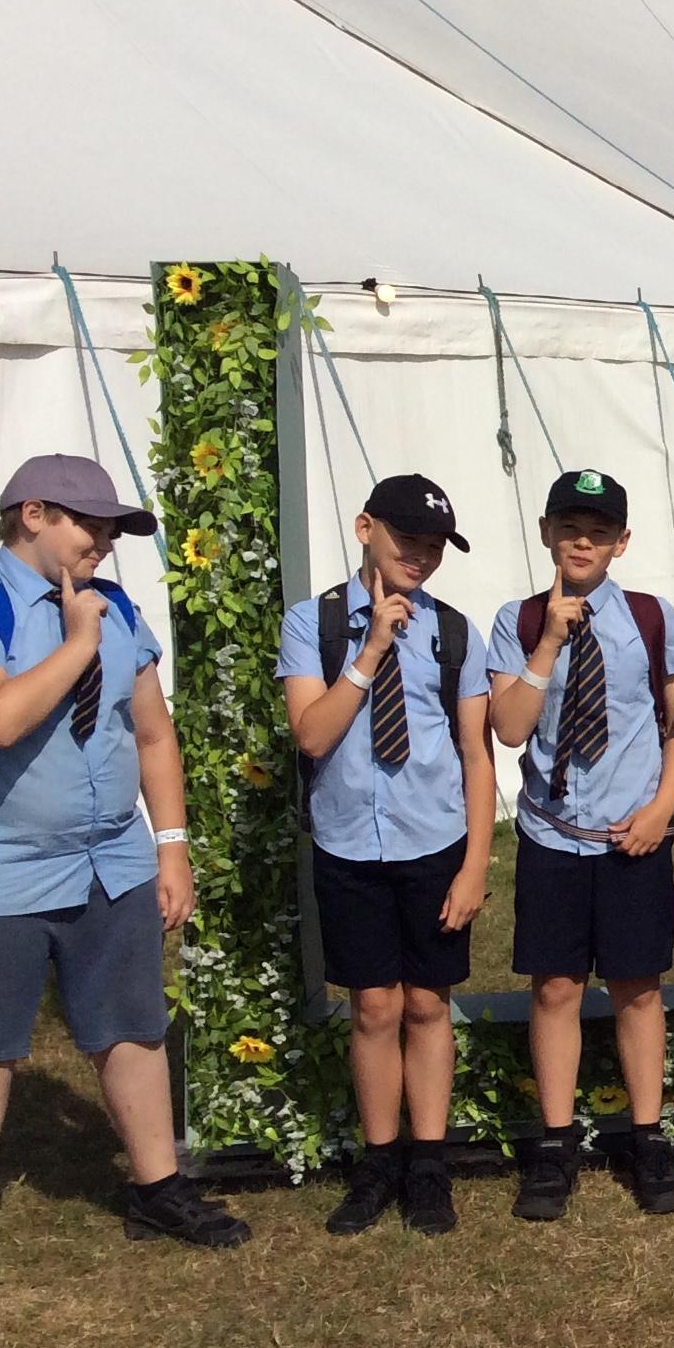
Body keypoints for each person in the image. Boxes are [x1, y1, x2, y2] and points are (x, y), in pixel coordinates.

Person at [0, 455, 247, 1312]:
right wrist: (78, 643)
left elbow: (152, 734)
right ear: (32, 514)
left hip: (110, 860)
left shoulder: (116, 606)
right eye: (90, 526)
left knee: (131, 1029)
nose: (104, 543)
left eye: (113, 530)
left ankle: (158, 1186)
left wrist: (171, 847)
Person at [278, 475, 493, 1238]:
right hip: (349, 844)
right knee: (373, 1007)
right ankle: (378, 1162)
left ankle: (429, 1163)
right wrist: (370, 649)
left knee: (429, 1003)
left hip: (432, 842)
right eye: (408, 540)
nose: (421, 557)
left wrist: (475, 864)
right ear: (365, 528)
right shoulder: (313, 624)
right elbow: (312, 735)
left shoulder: (454, 633)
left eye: (434, 546)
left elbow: (476, 754)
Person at [487, 469, 674, 1223]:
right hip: (553, 834)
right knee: (555, 988)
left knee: (639, 987)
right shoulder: (518, 619)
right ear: (547, 533)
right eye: (569, 528)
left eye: (599, 532)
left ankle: (647, 1136)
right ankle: (555, 1141)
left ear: (621, 543)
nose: (583, 542)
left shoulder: (650, 618)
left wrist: (663, 808)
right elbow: (510, 727)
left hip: (632, 835)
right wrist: (547, 643)